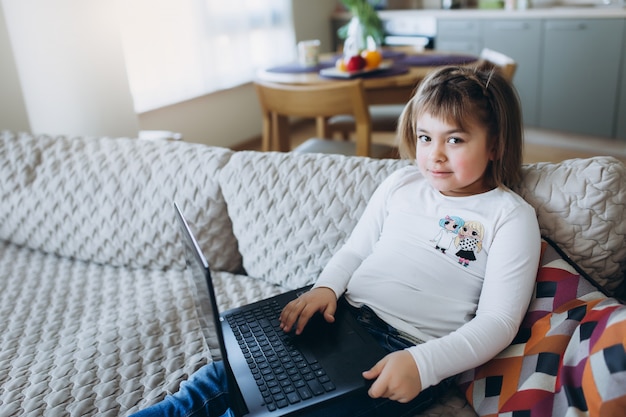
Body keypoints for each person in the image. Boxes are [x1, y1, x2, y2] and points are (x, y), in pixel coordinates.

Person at [130, 64, 542, 417]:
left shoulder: (510, 217)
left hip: (403, 351)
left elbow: (499, 322)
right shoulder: (401, 183)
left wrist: (423, 364)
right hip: (341, 316)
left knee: (275, 407)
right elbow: (356, 249)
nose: (434, 155)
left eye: (454, 139)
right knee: (226, 375)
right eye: (424, 137)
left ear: (495, 144)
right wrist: (325, 286)